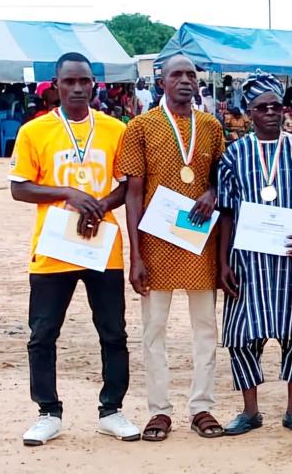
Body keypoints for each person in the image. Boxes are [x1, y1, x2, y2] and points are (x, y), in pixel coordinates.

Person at [9, 52, 140, 446]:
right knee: (43, 333)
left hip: (103, 245)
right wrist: (68, 193)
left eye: (85, 81)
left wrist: (100, 205)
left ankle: (112, 410)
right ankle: (48, 412)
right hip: (54, 248)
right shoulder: (35, 131)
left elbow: (127, 184)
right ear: (55, 85)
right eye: (70, 82)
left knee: (113, 331)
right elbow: (19, 187)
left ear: (94, 84)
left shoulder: (116, 129)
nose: (78, 88)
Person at [119, 54, 227, 442]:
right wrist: (136, 255)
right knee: (154, 330)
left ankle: (201, 407)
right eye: (176, 74)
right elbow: (132, 194)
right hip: (156, 243)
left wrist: (212, 192)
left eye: (190, 75)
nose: (185, 80)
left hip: (199, 242)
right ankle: (158, 411)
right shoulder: (140, 127)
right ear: (160, 81)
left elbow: (221, 179)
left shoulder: (212, 127)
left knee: (205, 328)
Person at [216, 71, 292, 436]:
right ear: (248, 112)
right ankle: (250, 411)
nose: (270, 113)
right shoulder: (233, 155)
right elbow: (226, 213)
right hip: (248, 262)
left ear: (285, 109)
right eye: (261, 107)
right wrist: (223, 263)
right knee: (242, 336)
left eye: (275, 106)